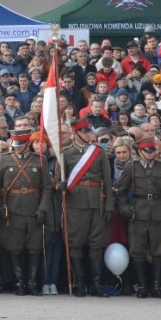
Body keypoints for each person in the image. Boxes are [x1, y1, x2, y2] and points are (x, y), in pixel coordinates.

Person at [0, 129, 53, 296]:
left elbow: (47, 187)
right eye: (15, 145)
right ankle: (19, 282)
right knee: (14, 246)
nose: (17, 148)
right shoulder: (4, 159)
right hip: (12, 209)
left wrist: (43, 208)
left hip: (34, 208)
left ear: (27, 144)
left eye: (21, 145)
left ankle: (32, 282)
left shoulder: (39, 160)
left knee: (35, 246)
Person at [59, 117, 114, 297]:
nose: (88, 134)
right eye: (84, 131)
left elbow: (107, 180)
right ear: (75, 133)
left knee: (96, 244)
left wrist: (108, 207)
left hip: (96, 202)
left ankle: (96, 284)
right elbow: (59, 181)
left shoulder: (98, 152)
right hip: (75, 203)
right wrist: (58, 186)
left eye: (89, 131)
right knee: (75, 242)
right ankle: (80, 283)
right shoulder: (66, 154)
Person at [115, 138, 161, 298]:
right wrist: (126, 210)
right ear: (140, 152)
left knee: (157, 250)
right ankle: (142, 286)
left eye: (153, 150)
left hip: (157, 211)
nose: (151, 153)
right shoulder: (131, 167)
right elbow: (120, 191)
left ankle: (156, 286)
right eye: (147, 151)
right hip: (138, 211)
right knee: (138, 251)